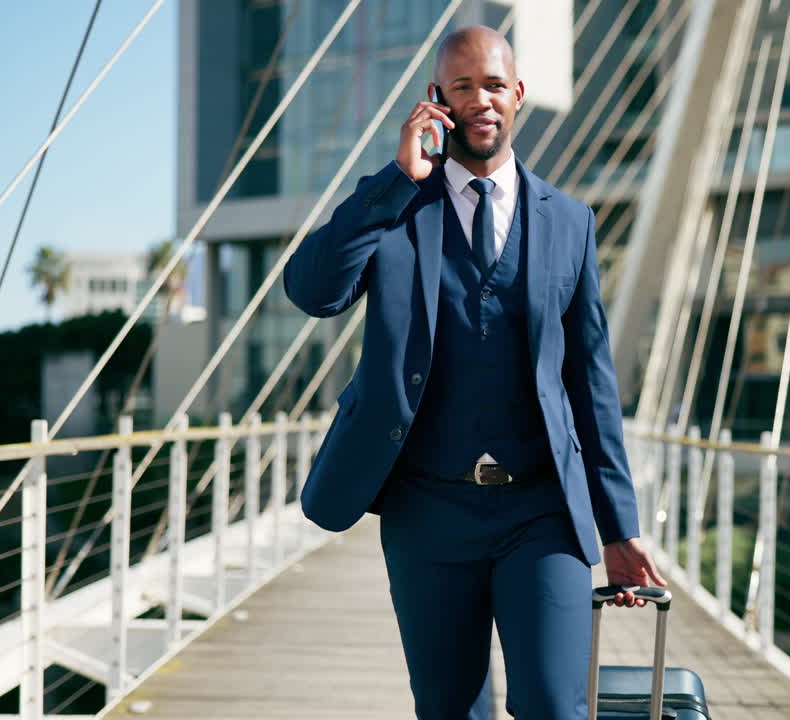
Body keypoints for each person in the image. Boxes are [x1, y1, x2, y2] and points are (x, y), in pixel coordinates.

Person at [283, 24, 664, 719]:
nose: (481, 100)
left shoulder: (571, 222)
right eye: (463, 86)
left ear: (517, 94)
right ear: (438, 101)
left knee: (556, 704)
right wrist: (396, 179)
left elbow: (591, 384)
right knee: (451, 710)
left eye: (493, 85)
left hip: (540, 509)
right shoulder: (397, 209)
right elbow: (313, 291)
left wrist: (619, 525)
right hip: (428, 510)